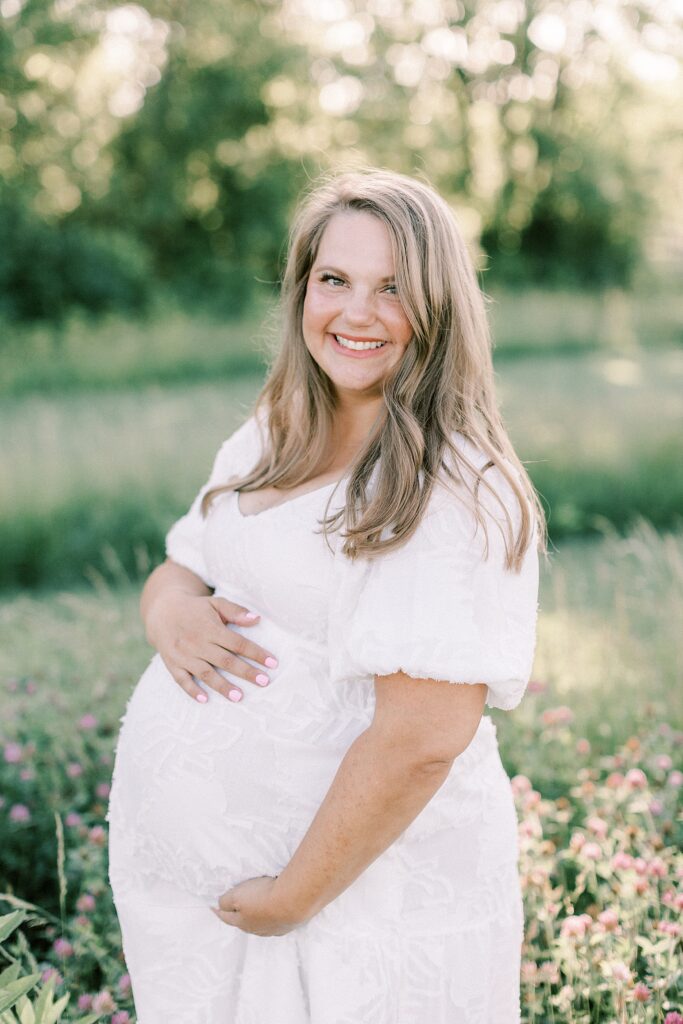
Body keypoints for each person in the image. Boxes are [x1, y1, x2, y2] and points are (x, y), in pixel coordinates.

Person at [107, 167, 544, 1024]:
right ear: (302, 286)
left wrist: (290, 898)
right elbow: (179, 564)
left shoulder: (456, 487)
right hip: (228, 922)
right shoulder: (276, 427)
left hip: (363, 911)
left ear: (441, 306)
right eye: (333, 280)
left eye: (393, 289)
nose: (355, 313)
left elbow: (422, 738)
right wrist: (171, 614)